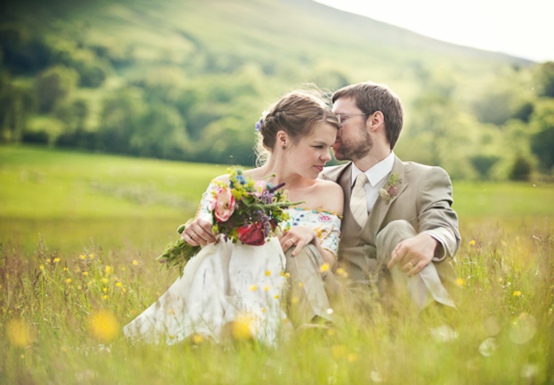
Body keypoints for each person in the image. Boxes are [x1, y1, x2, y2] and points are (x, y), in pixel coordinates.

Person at [123, 90, 343, 345]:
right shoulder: (226, 185)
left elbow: (329, 262)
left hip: (291, 289)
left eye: (329, 147)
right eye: (318, 146)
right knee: (222, 248)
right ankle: (222, 332)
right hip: (224, 285)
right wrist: (198, 231)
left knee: (262, 245)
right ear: (283, 139)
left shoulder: (327, 193)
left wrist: (312, 237)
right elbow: (205, 237)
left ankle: (231, 333)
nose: (328, 157)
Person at [321, 82, 460, 309]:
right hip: (345, 307)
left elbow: (444, 226)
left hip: (407, 300)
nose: (330, 130)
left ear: (375, 120)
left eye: (340, 120)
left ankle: (435, 320)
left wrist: (431, 239)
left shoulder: (426, 178)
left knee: (397, 229)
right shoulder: (322, 182)